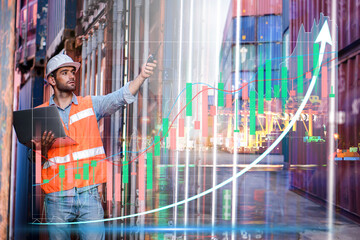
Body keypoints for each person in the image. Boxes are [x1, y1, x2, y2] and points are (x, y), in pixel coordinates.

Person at [30, 52, 157, 240]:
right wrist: (43, 149)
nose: (72, 76)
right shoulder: (39, 114)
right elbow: (33, 158)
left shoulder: (89, 105)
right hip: (57, 196)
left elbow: (119, 97)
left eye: (72, 72)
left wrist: (142, 77)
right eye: (65, 73)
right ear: (52, 80)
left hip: (88, 194)